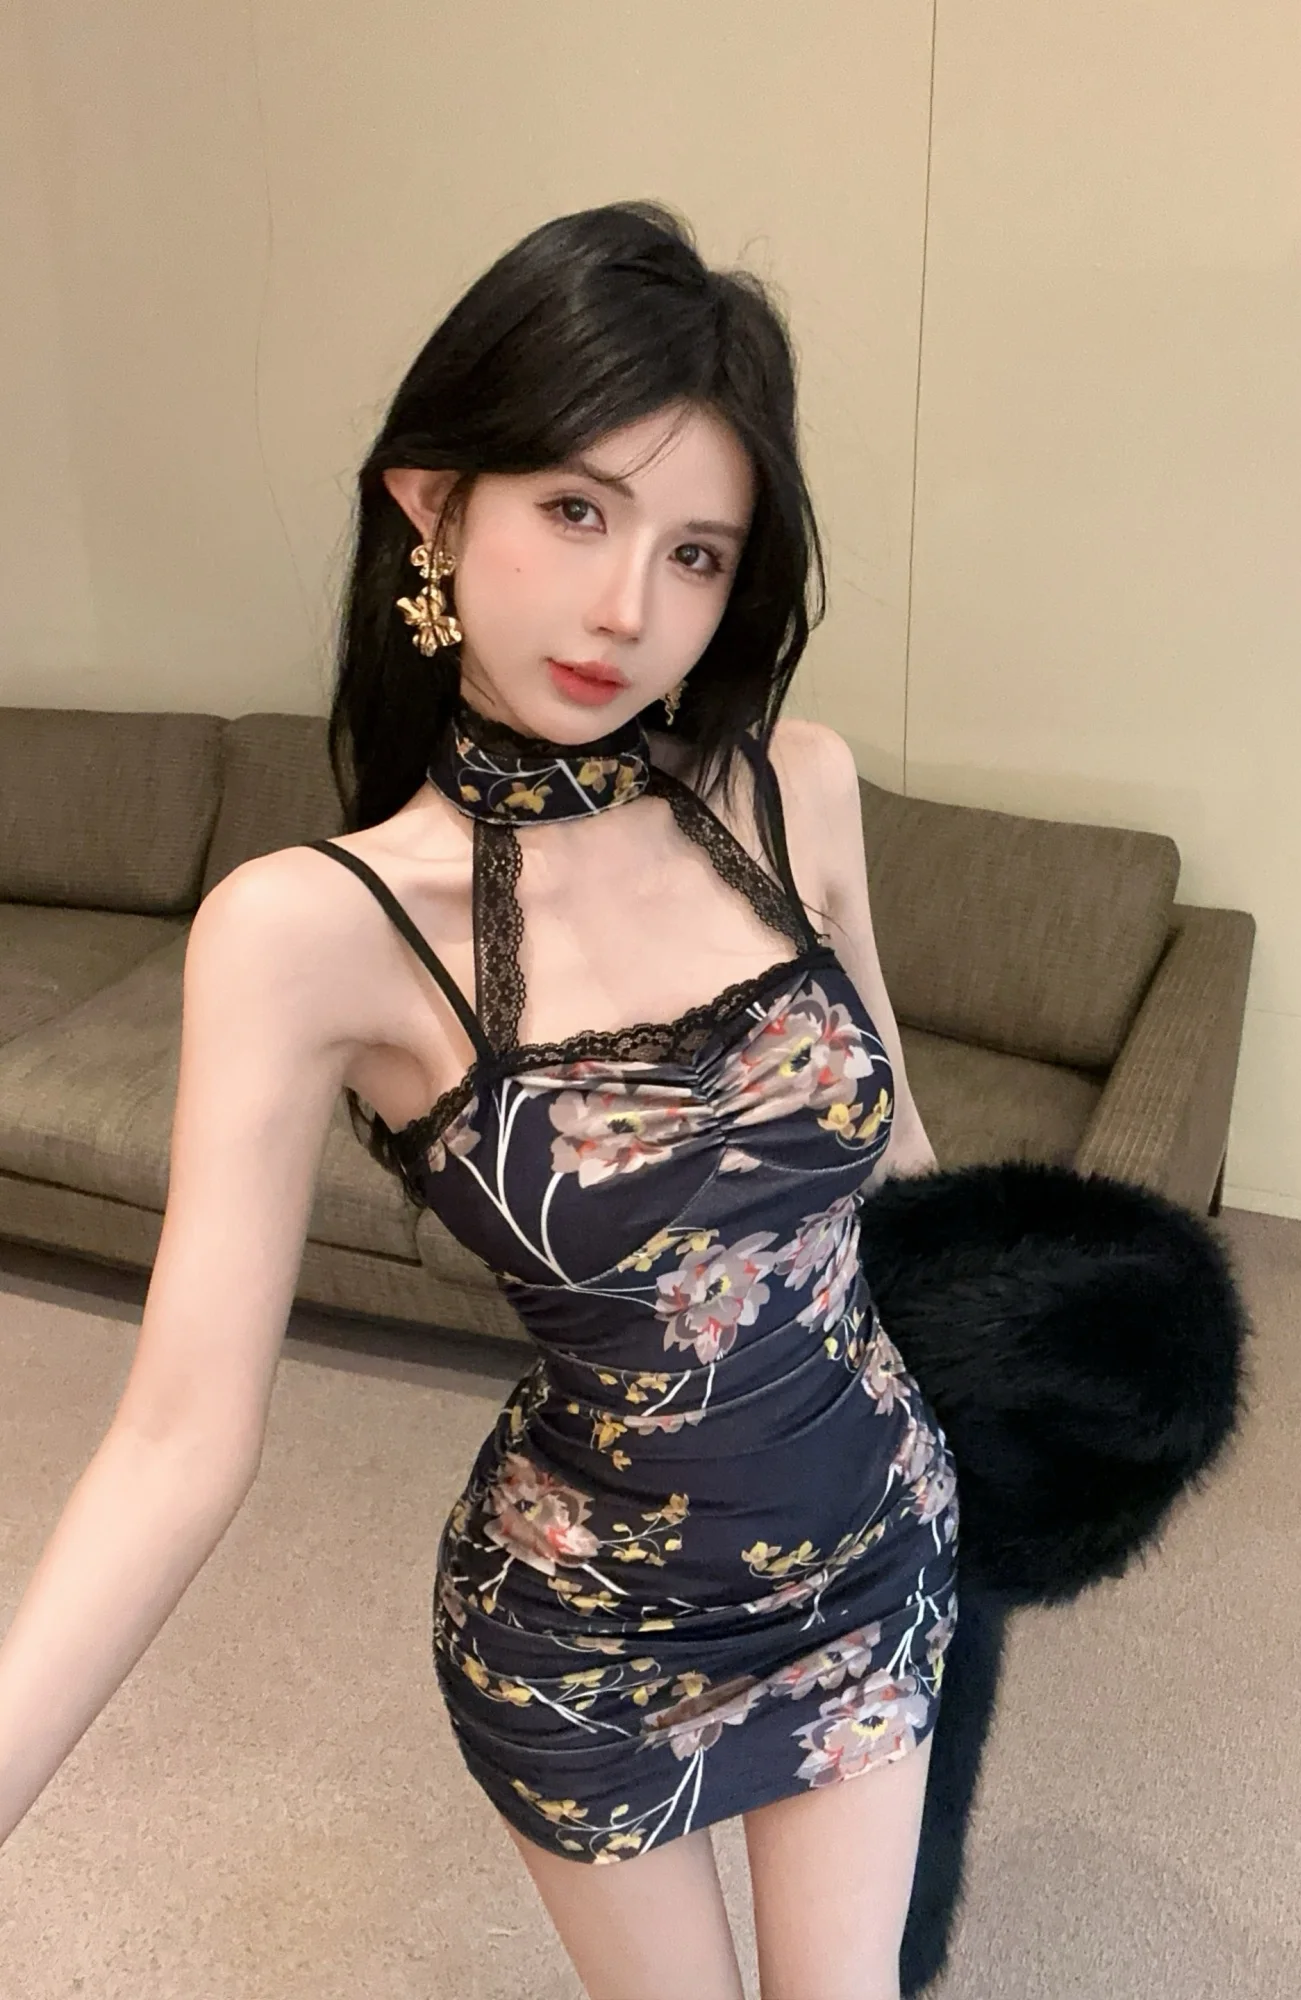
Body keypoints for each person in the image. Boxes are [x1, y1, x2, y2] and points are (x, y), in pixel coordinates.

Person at [0, 200, 958, 2000]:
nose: (628, 610)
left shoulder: (797, 787)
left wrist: (1053, 1368)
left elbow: (897, 1159)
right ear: (432, 502)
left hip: (877, 1553)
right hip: (590, 1639)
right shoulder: (309, 931)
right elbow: (177, 1441)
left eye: (695, 553)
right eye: (577, 511)